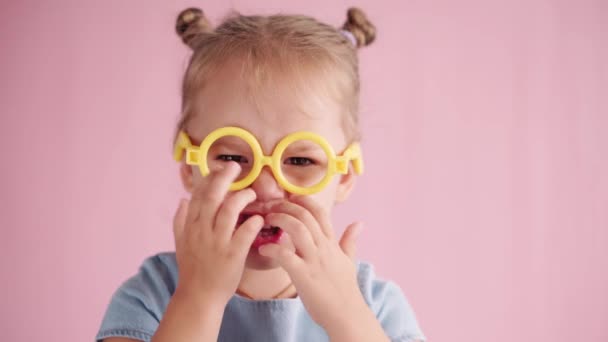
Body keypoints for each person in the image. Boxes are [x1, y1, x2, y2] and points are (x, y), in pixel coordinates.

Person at [96, 6, 425, 342]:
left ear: (344, 176)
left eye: (299, 161)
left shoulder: (376, 306)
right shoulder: (150, 297)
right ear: (190, 167)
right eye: (232, 157)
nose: (265, 188)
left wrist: (345, 313)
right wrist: (200, 298)